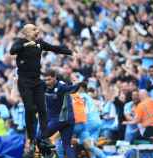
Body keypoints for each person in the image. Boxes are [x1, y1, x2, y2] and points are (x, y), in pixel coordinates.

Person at [10, 23, 72, 155]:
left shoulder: (40, 43)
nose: (37, 31)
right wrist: (26, 44)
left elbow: (55, 48)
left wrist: (71, 52)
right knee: (30, 108)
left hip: (37, 81)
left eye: (37, 29)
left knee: (42, 109)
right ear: (26, 32)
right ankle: (32, 138)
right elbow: (12, 51)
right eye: (33, 29)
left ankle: (44, 137)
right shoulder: (20, 42)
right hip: (24, 81)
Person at [38, 69, 78, 158]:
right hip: (68, 119)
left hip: (60, 118)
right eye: (45, 80)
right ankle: (50, 153)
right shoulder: (45, 85)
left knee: (39, 137)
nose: (47, 82)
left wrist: (76, 83)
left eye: (49, 79)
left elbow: (74, 88)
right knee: (66, 145)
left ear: (55, 78)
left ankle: (50, 155)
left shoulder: (61, 87)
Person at [71, 82, 106, 158]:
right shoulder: (89, 97)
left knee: (85, 143)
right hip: (98, 122)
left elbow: (83, 110)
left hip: (89, 122)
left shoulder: (81, 96)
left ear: (81, 88)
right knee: (90, 146)